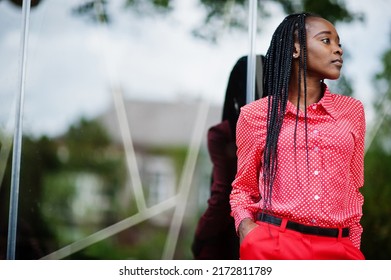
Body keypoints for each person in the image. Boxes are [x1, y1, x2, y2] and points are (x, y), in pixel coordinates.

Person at [230, 12, 366, 260]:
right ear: (295, 49)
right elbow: (243, 188)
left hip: (338, 250)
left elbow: (354, 189)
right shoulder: (256, 115)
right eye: (326, 41)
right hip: (273, 246)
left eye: (339, 44)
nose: (338, 50)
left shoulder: (352, 111)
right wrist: (247, 231)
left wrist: (353, 246)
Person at [192, 55, 265, 259]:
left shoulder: (223, 134)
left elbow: (222, 195)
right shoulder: (285, 129)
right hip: (267, 232)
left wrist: (201, 235)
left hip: (228, 232)